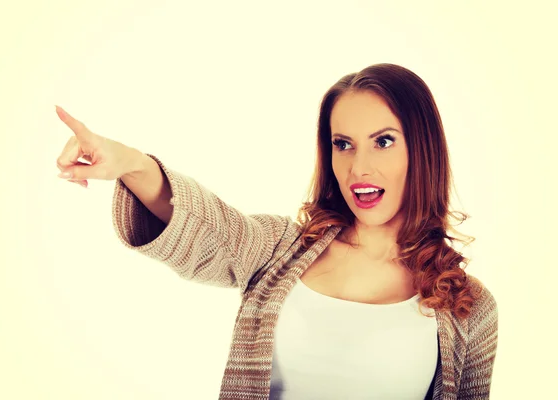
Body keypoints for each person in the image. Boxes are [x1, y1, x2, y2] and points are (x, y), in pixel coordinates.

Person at [55, 63, 498, 400]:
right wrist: (130, 163)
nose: (358, 168)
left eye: (383, 141)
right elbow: (209, 230)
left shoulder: (469, 309)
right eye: (342, 144)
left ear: (422, 149)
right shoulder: (282, 250)